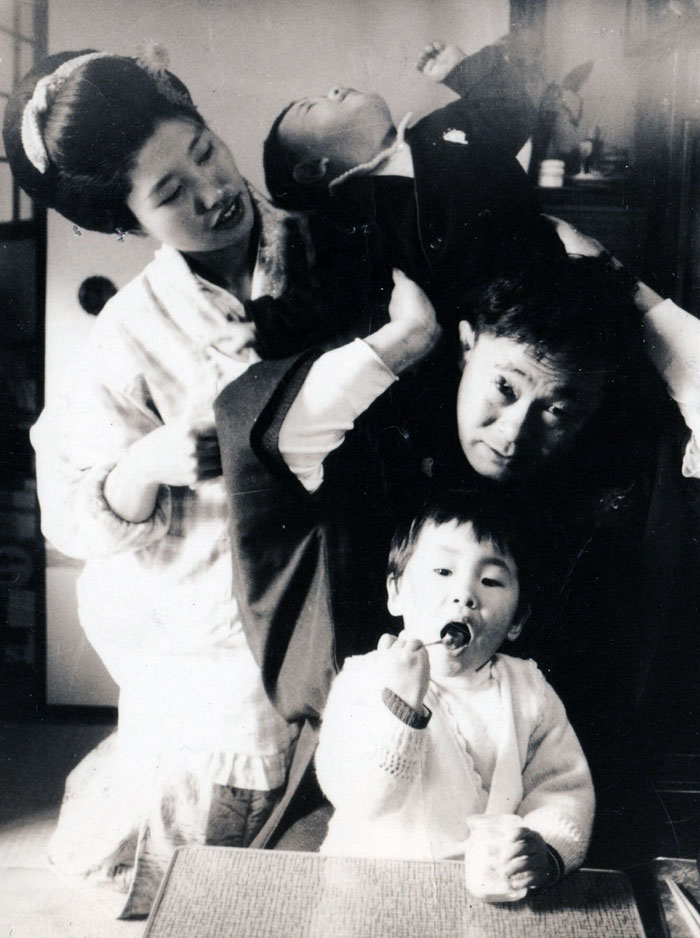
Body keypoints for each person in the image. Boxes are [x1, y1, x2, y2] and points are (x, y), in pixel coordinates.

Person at [2, 48, 439, 915]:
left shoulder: (328, 236)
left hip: (347, 568)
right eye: (169, 194)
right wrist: (145, 465)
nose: (212, 190)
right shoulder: (131, 334)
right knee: (223, 874)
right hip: (212, 609)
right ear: (128, 223)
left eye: (203, 150)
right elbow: (71, 514)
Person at [314, 489, 594, 884]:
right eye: (443, 572)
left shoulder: (528, 689)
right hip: (366, 882)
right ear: (395, 592)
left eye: (491, 580)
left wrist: (545, 849)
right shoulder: (365, 678)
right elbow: (361, 799)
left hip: (486, 888)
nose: (465, 594)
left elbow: (563, 787)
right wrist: (401, 707)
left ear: (517, 620)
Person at [262, 33, 565, 343]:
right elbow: (326, 297)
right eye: (313, 107)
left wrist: (461, 68)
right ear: (315, 168)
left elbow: (513, 111)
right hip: (491, 334)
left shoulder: (442, 126)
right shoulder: (352, 222)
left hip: (557, 284)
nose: (335, 89)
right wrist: (257, 324)